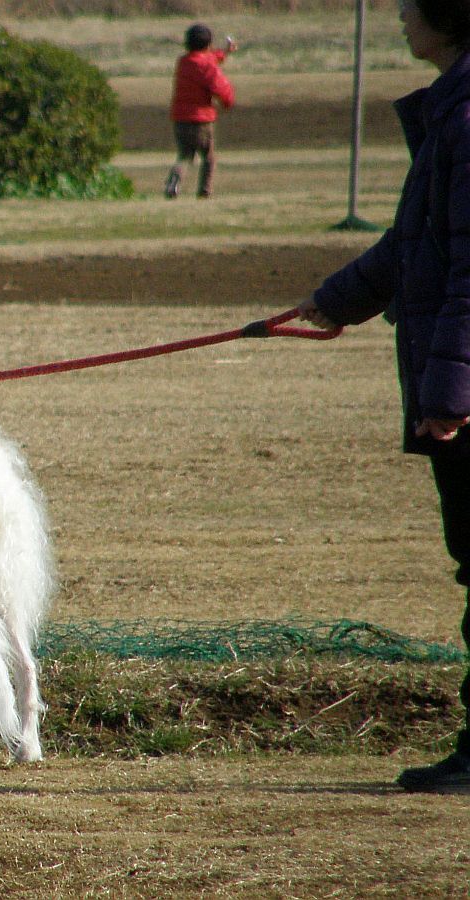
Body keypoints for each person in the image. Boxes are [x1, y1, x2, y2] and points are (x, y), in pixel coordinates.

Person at [298, 0, 470, 794]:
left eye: (411, 5)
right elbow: (415, 243)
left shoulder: (467, 120)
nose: (400, 16)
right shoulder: (451, 113)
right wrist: (334, 301)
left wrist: (450, 394)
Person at [165, 24, 236, 199]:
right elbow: (219, 86)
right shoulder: (207, 66)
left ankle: (173, 184)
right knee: (208, 158)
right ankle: (205, 190)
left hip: (180, 119)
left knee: (185, 156)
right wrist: (228, 101)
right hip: (201, 120)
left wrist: (224, 53)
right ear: (208, 44)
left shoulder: (183, 62)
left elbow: (206, 59)